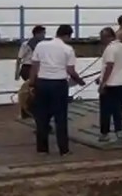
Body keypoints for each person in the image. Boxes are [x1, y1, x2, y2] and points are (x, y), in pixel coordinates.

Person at [30, 24, 85, 156]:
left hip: (42, 83)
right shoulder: (68, 49)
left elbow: (34, 66)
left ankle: (42, 149)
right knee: (60, 118)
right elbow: (70, 70)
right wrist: (79, 80)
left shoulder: (41, 45)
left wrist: (32, 83)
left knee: (42, 117)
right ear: (67, 36)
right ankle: (63, 150)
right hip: (59, 84)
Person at [97, 27, 122, 142]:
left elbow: (109, 66)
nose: (101, 40)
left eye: (102, 38)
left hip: (110, 84)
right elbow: (118, 66)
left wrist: (103, 83)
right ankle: (119, 130)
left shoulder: (110, 49)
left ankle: (104, 133)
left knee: (105, 110)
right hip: (121, 82)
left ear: (108, 37)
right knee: (118, 109)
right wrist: (100, 76)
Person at [15, 26, 46, 119]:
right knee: (30, 89)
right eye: (42, 33)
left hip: (37, 68)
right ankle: (25, 111)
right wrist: (17, 72)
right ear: (37, 34)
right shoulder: (26, 44)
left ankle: (31, 110)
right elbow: (19, 58)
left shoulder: (43, 45)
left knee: (35, 90)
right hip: (27, 68)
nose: (44, 36)